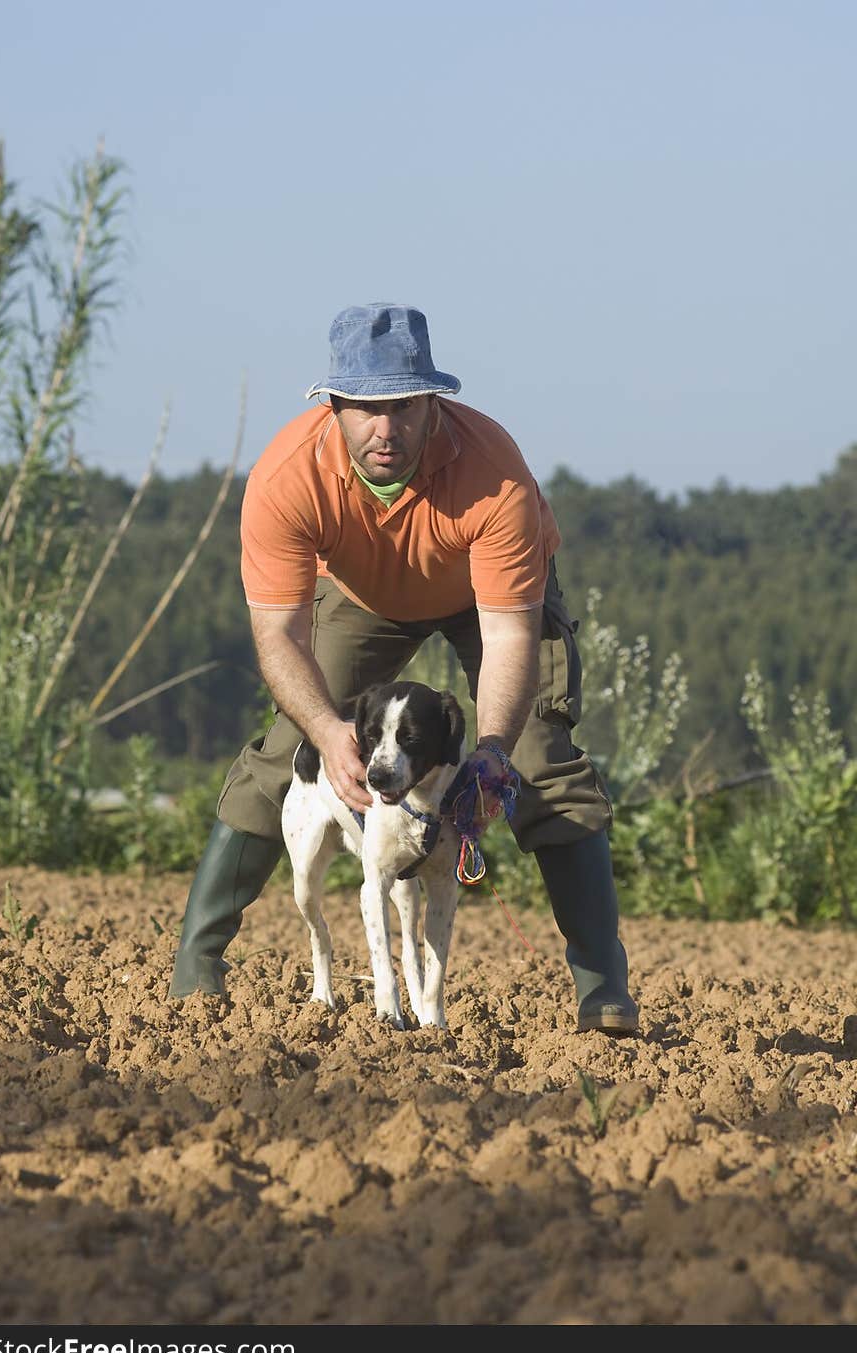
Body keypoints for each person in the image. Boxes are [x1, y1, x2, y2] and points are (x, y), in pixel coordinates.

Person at [169, 303, 638, 1035]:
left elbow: (511, 636)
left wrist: (488, 753)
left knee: (542, 760)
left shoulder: (494, 471)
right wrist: (326, 731)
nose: (385, 429)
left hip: (487, 604)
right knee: (282, 755)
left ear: (432, 403)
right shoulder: (286, 477)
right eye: (364, 408)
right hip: (361, 595)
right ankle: (197, 966)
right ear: (333, 406)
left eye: (404, 407)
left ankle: (604, 989)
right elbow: (279, 636)